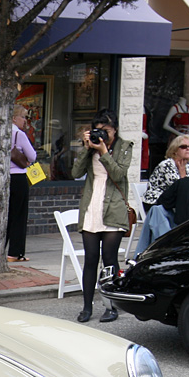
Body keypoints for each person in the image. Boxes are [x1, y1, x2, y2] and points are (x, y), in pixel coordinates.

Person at [71, 109, 133, 324]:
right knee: (90, 259)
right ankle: (87, 307)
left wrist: (104, 151)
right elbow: (75, 173)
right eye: (98, 130)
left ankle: (110, 306)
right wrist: (87, 149)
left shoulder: (125, 147)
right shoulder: (91, 147)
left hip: (113, 207)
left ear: (114, 130)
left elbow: (118, 174)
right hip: (92, 205)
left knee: (109, 259)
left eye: (106, 131)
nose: (102, 135)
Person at [7, 104, 37, 262]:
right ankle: (15, 252)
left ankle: (1, 248)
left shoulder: (2, 133)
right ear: (14, 118)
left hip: (5, 177)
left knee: (7, 215)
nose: (25, 121)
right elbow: (32, 156)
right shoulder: (19, 135)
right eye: (23, 117)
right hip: (18, 177)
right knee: (19, 215)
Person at [142, 134, 189, 213]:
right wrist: (182, 174)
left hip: (173, 203)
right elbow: (178, 189)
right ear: (175, 150)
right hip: (156, 203)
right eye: (183, 147)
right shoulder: (166, 165)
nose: (188, 149)